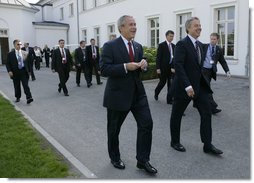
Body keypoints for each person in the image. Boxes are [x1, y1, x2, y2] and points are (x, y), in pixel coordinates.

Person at [100, 15, 157, 174]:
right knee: (114, 130)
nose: (134, 27)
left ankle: (143, 160)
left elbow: (139, 68)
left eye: (135, 24)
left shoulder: (138, 46)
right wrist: (125, 66)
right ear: (121, 28)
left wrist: (143, 65)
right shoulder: (110, 46)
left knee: (147, 124)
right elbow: (104, 69)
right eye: (131, 24)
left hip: (138, 94)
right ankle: (115, 157)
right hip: (118, 96)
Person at [170, 17, 223, 155]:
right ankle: (174, 141)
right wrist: (187, 86)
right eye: (196, 26)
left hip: (200, 86)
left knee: (206, 113)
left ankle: (207, 145)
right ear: (188, 28)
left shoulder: (200, 45)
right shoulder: (182, 44)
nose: (199, 28)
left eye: (200, 25)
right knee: (177, 115)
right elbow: (178, 65)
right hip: (184, 87)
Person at [202, 32, 231, 114]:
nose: (212, 41)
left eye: (214, 39)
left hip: (211, 72)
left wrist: (227, 71)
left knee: (203, 88)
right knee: (207, 89)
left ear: (217, 40)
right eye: (211, 39)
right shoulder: (204, 46)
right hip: (203, 71)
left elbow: (222, 61)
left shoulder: (218, 49)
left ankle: (196, 103)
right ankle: (213, 107)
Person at [6, 39, 33, 104]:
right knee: (17, 86)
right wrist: (9, 71)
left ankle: (29, 97)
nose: (19, 45)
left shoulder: (24, 53)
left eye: (20, 44)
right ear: (14, 45)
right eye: (18, 44)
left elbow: (28, 62)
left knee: (25, 85)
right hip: (15, 72)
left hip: (23, 71)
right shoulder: (10, 54)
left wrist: (29, 71)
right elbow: (8, 64)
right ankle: (18, 97)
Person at [154, 30, 175, 104]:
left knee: (170, 84)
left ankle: (169, 100)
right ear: (166, 36)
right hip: (163, 68)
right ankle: (156, 92)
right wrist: (158, 68)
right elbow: (158, 58)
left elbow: (174, 58)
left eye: (172, 36)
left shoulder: (173, 46)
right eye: (170, 36)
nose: (171, 38)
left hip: (171, 69)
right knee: (162, 82)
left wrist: (173, 67)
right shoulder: (162, 45)